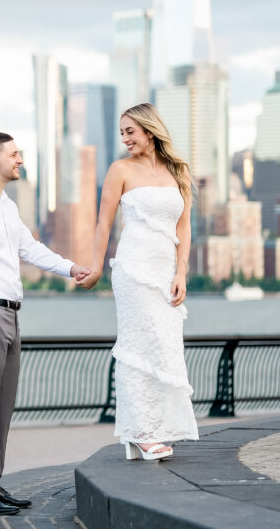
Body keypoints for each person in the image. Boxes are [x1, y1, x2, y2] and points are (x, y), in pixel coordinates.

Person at [0, 131, 92, 515]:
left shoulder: (7, 207)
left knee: (2, 407)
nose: (19, 159)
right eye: (14, 154)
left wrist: (70, 268)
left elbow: (31, 250)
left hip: (9, 313)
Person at [79, 103, 199, 460]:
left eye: (130, 131)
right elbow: (104, 223)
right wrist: (97, 268)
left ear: (149, 130)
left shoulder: (178, 171)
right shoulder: (120, 170)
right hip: (133, 268)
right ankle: (141, 432)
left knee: (164, 345)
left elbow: (184, 227)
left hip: (165, 272)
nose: (125, 139)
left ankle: (152, 428)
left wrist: (181, 273)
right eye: (121, 133)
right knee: (137, 345)